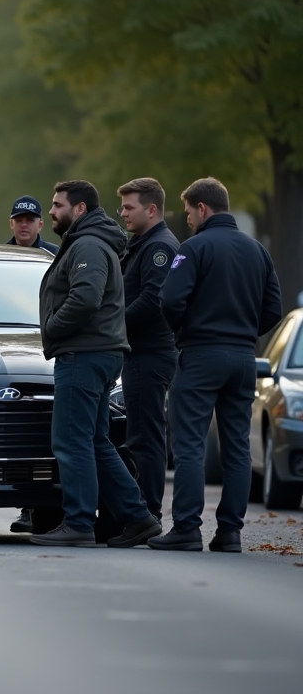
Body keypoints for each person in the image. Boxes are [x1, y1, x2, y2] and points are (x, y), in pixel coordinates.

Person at [150, 177, 282, 552]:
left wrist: (185, 332)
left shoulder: (194, 249)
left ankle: (187, 528)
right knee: (237, 445)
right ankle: (230, 532)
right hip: (243, 357)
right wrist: (243, 332)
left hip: (201, 353)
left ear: (202, 209)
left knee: (190, 443)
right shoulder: (258, 251)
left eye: (190, 212)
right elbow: (273, 308)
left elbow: (170, 299)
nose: (188, 219)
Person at [33, 180, 161, 548]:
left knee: (71, 441)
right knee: (95, 441)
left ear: (80, 210)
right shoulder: (88, 241)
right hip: (99, 353)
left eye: (58, 205)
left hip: (83, 354)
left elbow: (86, 297)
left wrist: (53, 328)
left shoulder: (87, 244)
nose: (52, 211)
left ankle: (77, 523)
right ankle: (138, 518)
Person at [114, 178, 180, 523]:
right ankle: (140, 513)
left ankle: (146, 514)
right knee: (140, 433)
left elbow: (153, 300)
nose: (122, 213)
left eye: (129, 207)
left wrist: (113, 325)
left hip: (149, 354)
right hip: (140, 353)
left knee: (146, 437)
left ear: (151, 210)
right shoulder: (142, 243)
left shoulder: (160, 248)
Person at [5, 195, 58, 534]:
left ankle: (43, 504)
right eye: (19, 219)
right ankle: (27, 507)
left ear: (40, 224)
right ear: (11, 224)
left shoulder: (54, 256)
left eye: (30, 219)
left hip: (43, 342)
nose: (24, 225)